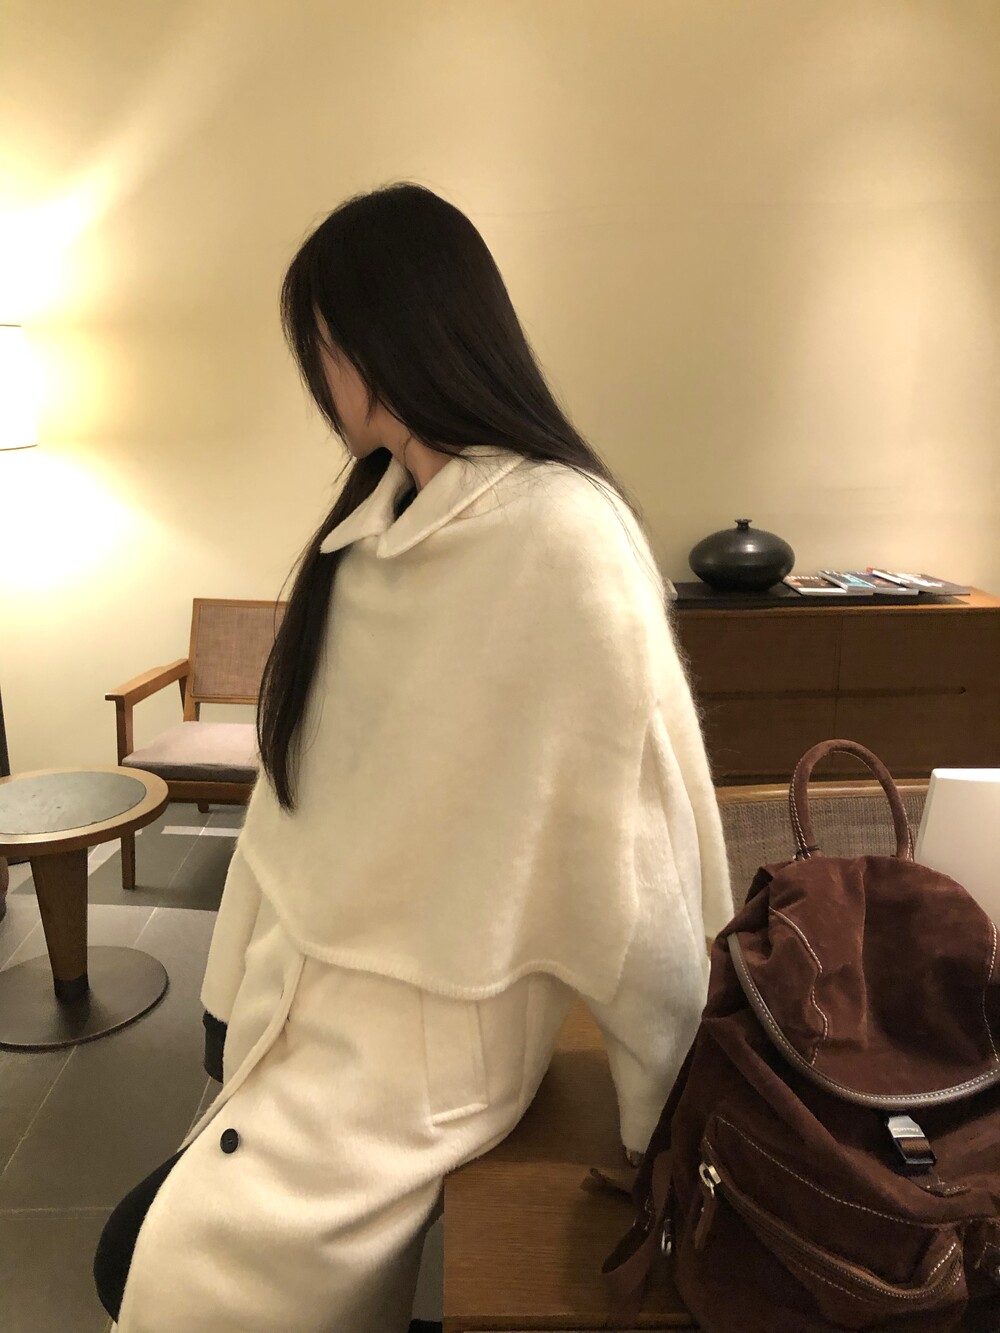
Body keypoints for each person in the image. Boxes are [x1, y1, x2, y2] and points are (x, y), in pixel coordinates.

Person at [93, 181, 732, 1333]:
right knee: (147, 1255)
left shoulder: (563, 536)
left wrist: (658, 1118)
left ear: (380, 345)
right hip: (304, 998)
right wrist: (224, 1002)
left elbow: (635, 857)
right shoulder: (367, 537)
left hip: (436, 1039)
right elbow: (292, 811)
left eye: (322, 347)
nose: (318, 380)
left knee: (176, 1276)